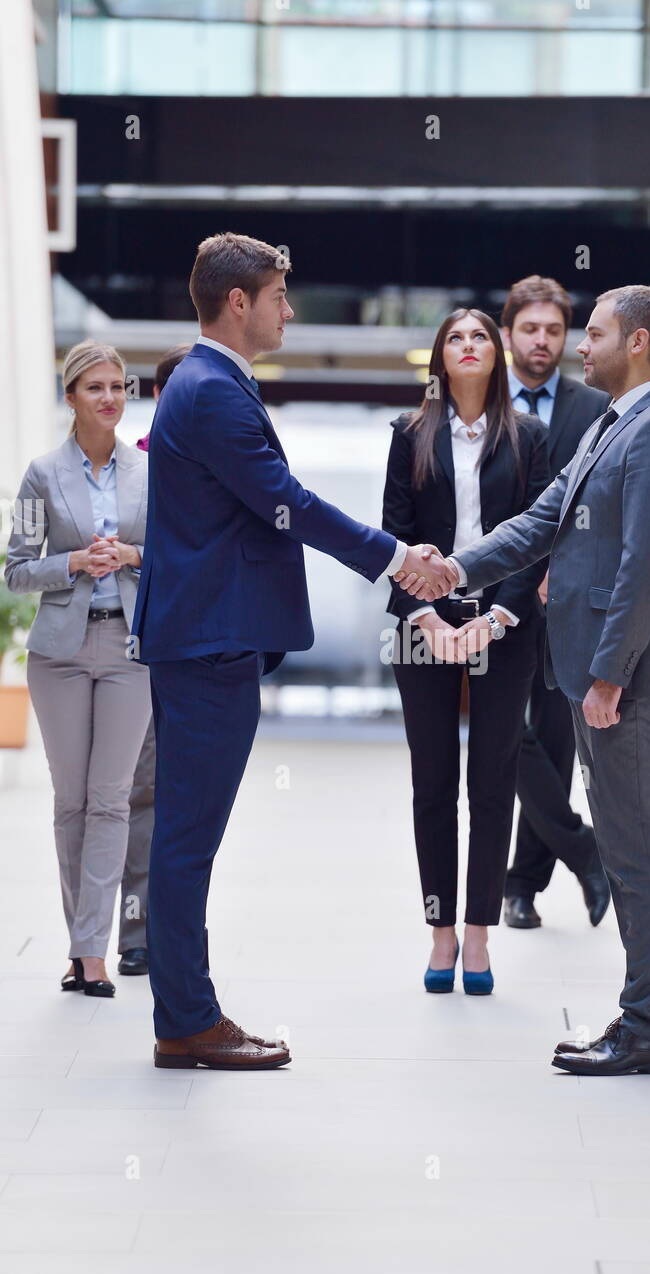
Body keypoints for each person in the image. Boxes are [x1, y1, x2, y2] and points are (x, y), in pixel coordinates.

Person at [132, 231, 443, 1071]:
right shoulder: (213, 390)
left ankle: (184, 1014)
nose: (288, 310)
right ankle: (187, 1021)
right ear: (238, 302)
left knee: (186, 833)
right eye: (277, 296)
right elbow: (284, 503)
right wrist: (391, 555)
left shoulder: (204, 384)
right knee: (188, 837)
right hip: (208, 640)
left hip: (202, 635)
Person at [396, 285, 650, 1076]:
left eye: (591, 334)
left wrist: (605, 677)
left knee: (637, 853)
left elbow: (643, 569)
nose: (577, 347)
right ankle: (645, 1018)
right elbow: (538, 525)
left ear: (635, 343)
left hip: (620, 678)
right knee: (629, 846)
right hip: (595, 671)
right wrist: (455, 567)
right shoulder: (608, 424)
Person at [383, 308, 550, 996]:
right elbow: (391, 532)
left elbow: (541, 529)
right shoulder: (409, 433)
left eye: (480, 334)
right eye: (455, 337)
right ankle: (440, 931)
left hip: (503, 622)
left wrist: (500, 613)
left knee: (491, 782)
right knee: (432, 784)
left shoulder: (530, 436)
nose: (469, 344)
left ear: (496, 352)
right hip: (423, 621)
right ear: (440, 359)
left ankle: (478, 934)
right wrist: (425, 616)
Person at [5, 340, 152, 998]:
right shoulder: (42, 474)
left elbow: (176, 557)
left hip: (129, 653)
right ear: (70, 397)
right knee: (71, 803)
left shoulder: (150, 474)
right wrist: (71, 564)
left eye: (118, 386)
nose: (110, 398)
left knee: (111, 799)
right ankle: (84, 948)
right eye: (95, 388)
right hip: (59, 655)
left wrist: (126, 555)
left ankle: (91, 953)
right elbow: (14, 570)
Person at [500, 275, 610, 931]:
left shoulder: (593, 406)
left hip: (566, 601)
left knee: (555, 739)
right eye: (529, 328)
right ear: (508, 330)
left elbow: (598, 503)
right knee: (503, 735)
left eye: (552, 330)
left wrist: (562, 571)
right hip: (495, 598)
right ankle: (582, 848)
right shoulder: (482, 404)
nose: (541, 341)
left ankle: (522, 886)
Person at [118, 343, 192, 978]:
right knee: (142, 791)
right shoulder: (133, 465)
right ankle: (137, 932)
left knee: (182, 796)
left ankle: (174, 931)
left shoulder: (217, 461)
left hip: (197, 649)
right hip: (137, 643)